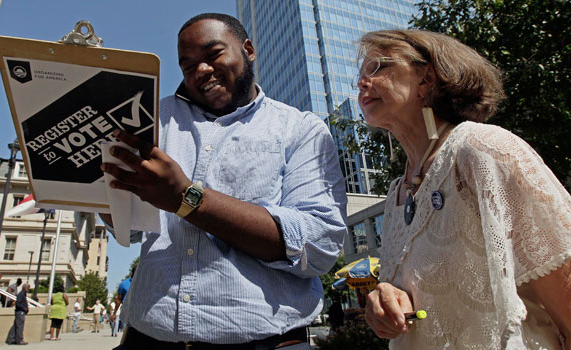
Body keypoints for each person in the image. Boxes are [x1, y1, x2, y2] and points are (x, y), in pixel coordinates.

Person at [100, 13, 347, 349]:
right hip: (147, 337)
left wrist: (187, 199)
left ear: (248, 49)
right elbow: (127, 229)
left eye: (213, 54)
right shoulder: (153, 121)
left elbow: (318, 246)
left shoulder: (300, 130)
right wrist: (96, 186)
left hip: (266, 342)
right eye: (188, 67)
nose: (201, 71)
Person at [356, 29, 571, 349]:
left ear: (426, 79)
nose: (362, 82)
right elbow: (425, 310)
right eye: (359, 75)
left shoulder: (483, 150)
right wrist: (387, 300)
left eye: (378, 67)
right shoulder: (395, 195)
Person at [111, 266, 134, 334]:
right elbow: (119, 300)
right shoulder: (124, 284)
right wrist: (114, 313)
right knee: (127, 331)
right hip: (127, 310)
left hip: (140, 310)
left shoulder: (144, 282)